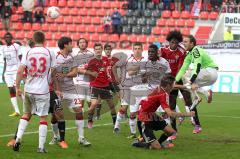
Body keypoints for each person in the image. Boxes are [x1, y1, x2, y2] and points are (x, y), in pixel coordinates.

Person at [13, 31, 55, 153]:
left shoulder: (28, 52)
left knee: (26, 114)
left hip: (29, 89)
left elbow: (20, 71)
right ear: (44, 39)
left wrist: (17, 87)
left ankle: (18, 139)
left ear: (34, 39)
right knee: (43, 118)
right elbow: (53, 71)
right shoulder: (49, 52)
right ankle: (41, 147)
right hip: (42, 90)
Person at [133, 75, 195, 150]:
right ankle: (138, 143)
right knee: (157, 148)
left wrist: (185, 87)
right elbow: (171, 114)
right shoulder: (163, 94)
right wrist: (188, 114)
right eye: (172, 85)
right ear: (168, 85)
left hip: (152, 115)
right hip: (144, 119)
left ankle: (157, 143)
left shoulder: (161, 88)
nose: (173, 88)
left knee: (171, 131)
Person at [160, 30, 201, 135]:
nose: (174, 44)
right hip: (169, 81)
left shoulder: (181, 52)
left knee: (188, 101)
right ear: (169, 41)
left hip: (179, 79)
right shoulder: (163, 50)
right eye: (172, 42)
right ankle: (174, 131)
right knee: (172, 106)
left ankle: (197, 124)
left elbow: (180, 67)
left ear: (178, 42)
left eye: (176, 42)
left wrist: (175, 79)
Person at [54, 37, 91, 147]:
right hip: (59, 90)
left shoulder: (72, 57)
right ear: (65, 45)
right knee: (56, 116)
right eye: (71, 44)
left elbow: (75, 73)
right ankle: (56, 136)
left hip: (71, 88)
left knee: (79, 110)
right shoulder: (55, 58)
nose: (72, 46)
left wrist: (64, 74)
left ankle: (81, 138)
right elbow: (54, 75)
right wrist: (57, 88)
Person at [130, 44, 171, 138]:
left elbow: (169, 76)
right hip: (150, 92)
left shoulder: (164, 62)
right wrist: (145, 76)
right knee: (143, 113)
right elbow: (143, 79)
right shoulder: (145, 62)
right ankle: (142, 135)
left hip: (161, 91)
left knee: (165, 113)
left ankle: (168, 138)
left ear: (157, 53)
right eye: (149, 52)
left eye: (152, 52)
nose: (150, 54)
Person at [175, 35, 218, 113]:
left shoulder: (196, 50)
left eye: (185, 42)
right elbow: (182, 69)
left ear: (192, 43)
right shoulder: (189, 55)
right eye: (183, 42)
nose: (183, 43)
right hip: (210, 77)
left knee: (187, 78)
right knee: (186, 84)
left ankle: (197, 97)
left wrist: (191, 81)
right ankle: (206, 93)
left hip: (209, 72)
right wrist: (175, 80)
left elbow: (197, 67)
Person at [113, 42, 148, 137]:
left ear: (142, 49)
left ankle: (143, 132)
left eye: (139, 48)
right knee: (125, 110)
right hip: (129, 88)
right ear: (133, 50)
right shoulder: (129, 60)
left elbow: (147, 75)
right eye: (135, 48)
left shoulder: (146, 60)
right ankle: (118, 126)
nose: (137, 50)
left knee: (143, 112)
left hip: (143, 89)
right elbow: (129, 73)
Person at [86, 43, 117, 129]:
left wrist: (111, 82)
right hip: (95, 85)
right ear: (94, 51)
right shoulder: (91, 61)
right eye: (96, 49)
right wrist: (92, 74)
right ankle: (89, 121)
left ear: (101, 50)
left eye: (99, 49)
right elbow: (87, 72)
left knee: (111, 105)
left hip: (105, 85)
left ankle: (115, 123)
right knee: (94, 104)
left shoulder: (106, 59)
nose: (98, 50)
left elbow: (108, 72)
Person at [95, 43, 120, 119]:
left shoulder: (114, 59)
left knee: (120, 97)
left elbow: (120, 67)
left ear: (111, 50)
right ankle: (98, 114)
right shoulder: (101, 59)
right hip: (105, 82)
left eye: (109, 50)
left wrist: (118, 77)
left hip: (113, 81)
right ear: (104, 50)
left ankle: (123, 113)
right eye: (106, 49)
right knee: (99, 99)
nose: (108, 51)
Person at [1, 32, 21, 117]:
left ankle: (29, 108)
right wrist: (3, 73)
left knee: (17, 89)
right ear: (4, 39)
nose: (7, 38)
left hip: (16, 70)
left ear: (11, 38)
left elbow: (21, 58)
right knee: (11, 90)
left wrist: (21, 69)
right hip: (8, 72)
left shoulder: (16, 46)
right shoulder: (3, 48)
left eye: (9, 37)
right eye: (6, 37)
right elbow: (5, 61)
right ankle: (17, 111)